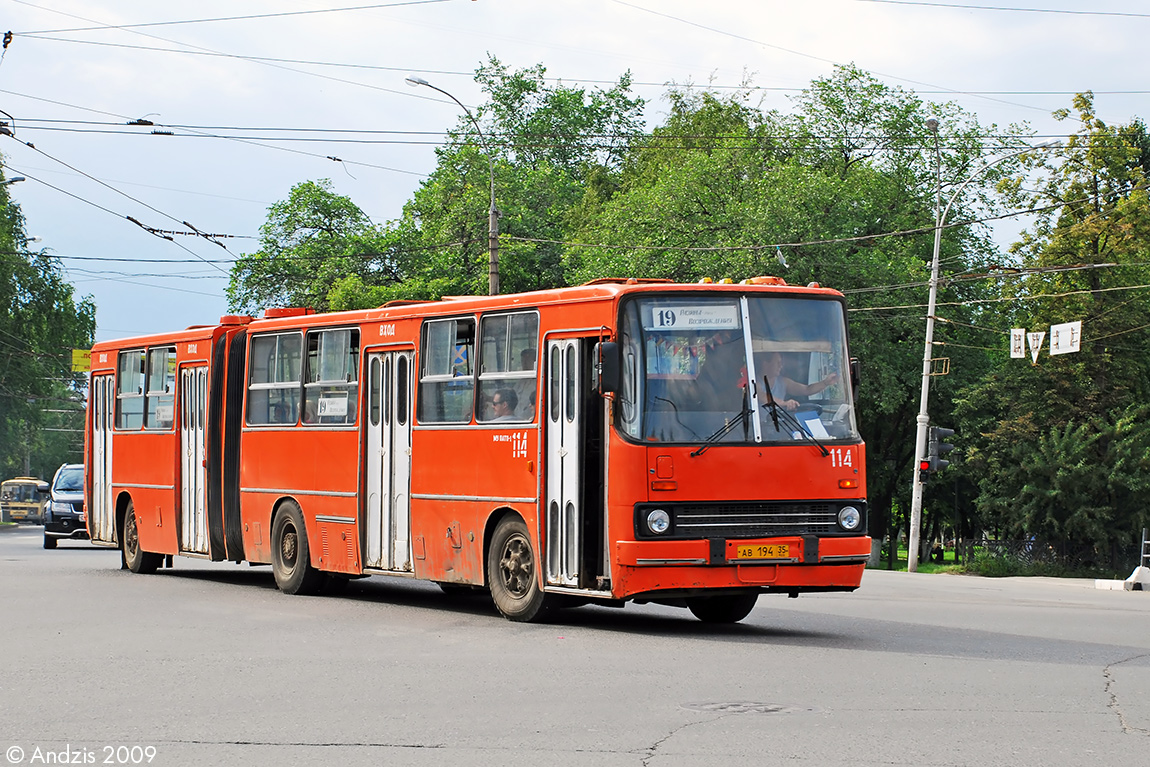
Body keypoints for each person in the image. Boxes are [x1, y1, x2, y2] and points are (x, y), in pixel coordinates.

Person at [760, 351, 837, 412]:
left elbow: (807, 390)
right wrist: (784, 403)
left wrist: (825, 383)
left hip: (777, 424)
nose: (781, 366)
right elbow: (763, 397)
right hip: (759, 426)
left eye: (781, 363)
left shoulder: (783, 382)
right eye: (777, 363)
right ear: (765, 364)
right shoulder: (755, 382)